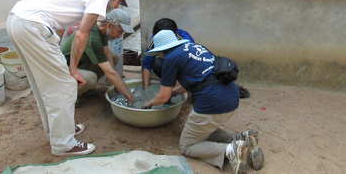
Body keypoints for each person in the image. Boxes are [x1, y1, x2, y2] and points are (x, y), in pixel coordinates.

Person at [6, 0, 131, 156]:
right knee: (64, 85)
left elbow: (65, 25)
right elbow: (82, 34)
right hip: (32, 25)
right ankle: (64, 144)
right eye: (119, 1)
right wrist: (72, 70)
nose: (116, 6)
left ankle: (57, 132)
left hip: (18, 20)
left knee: (45, 85)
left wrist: (63, 59)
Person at [143, 30, 264, 174]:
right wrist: (174, 92)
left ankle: (233, 150)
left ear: (162, 50)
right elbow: (196, 79)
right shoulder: (194, 47)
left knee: (187, 146)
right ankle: (242, 138)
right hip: (231, 97)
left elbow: (163, 97)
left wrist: (147, 104)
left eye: (158, 53)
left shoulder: (170, 58)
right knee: (203, 130)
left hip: (212, 103)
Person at [61, 9, 134, 100]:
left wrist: (113, 81)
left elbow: (107, 52)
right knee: (91, 78)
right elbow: (110, 72)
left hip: (80, 63)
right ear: (110, 25)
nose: (120, 36)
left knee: (114, 57)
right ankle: (68, 98)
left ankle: (85, 89)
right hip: (63, 68)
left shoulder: (102, 29)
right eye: (120, 31)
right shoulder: (93, 37)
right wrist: (129, 95)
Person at [142, 18, 194, 88]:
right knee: (157, 63)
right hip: (170, 63)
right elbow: (146, 64)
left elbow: (189, 65)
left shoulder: (185, 40)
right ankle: (168, 81)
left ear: (175, 33)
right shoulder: (156, 39)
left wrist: (176, 90)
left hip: (186, 66)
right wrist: (146, 88)